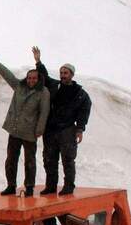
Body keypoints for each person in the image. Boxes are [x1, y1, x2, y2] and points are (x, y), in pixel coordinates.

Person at [0, 51, 50, 196]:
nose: (31, 80)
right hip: (15, 129)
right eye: (29, 78)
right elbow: (8, 76)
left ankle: (29, 187)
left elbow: (44, 112)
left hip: (30, 132)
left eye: (34, 78)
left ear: (38, 79)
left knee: (29, 162)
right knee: (11, 159)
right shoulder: (19, 86)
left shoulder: (43, 92)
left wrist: (40, 130)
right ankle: (11, 185)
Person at [33, 46, 92, 196]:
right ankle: (51, 186)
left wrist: (80, 129)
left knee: (68, 160)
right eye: (61, 73)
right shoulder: (55, 85)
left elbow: (84, 111)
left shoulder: (80, 93)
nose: (63, 75)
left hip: (67, 130)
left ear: (72, 75)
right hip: (51, 129)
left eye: (65, 73)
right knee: (49, 159)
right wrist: (38, 61)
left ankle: (68, 186)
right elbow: (44, 76)